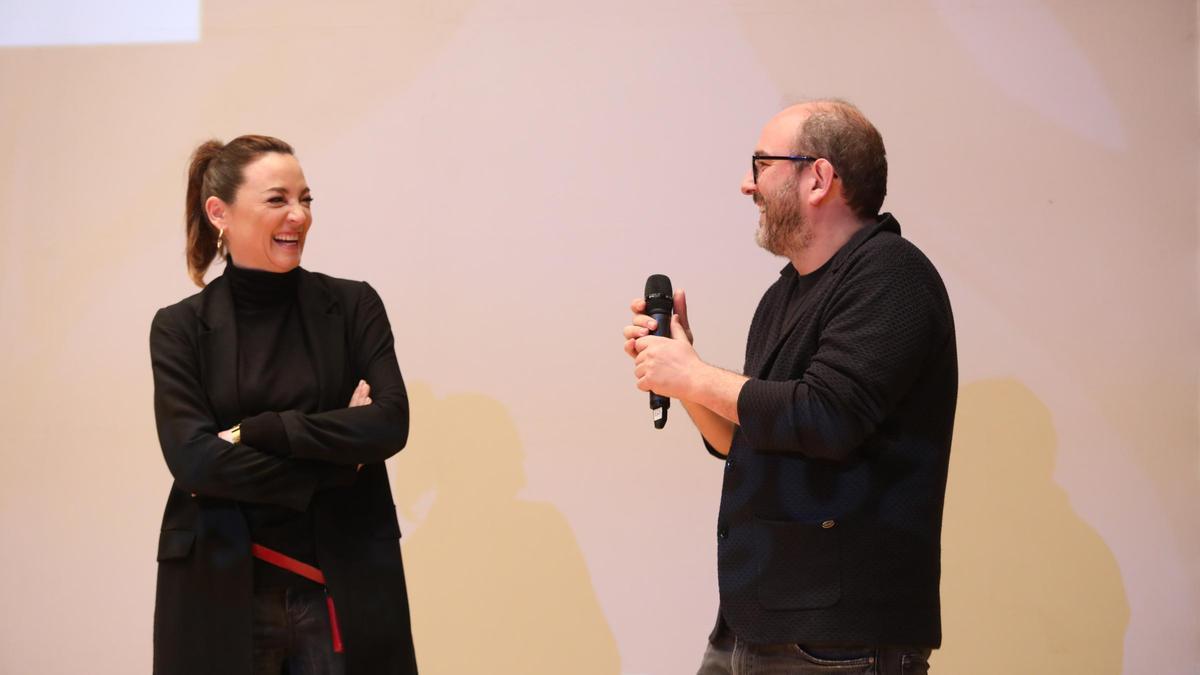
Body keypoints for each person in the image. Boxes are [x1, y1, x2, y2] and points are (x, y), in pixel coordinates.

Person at [623, 100, 957, 674]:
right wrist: (681, 372)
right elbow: (741, 439)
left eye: (761, 164)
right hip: (757, 621)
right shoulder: (783, 295)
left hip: (838, 636)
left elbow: (824, 416)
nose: (747, 185)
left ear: (819, 178)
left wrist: (697, 376)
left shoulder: (890, 275)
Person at [150, 135, 417, 674]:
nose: (299, 216)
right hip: (220, 588)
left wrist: (262, 431)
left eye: (306, 199)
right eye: (277, 200)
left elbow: (389, 423)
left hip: (342, 583)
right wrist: (338, 462)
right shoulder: (179, 327)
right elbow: (194, 462)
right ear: (219, 213)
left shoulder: (352, 305)